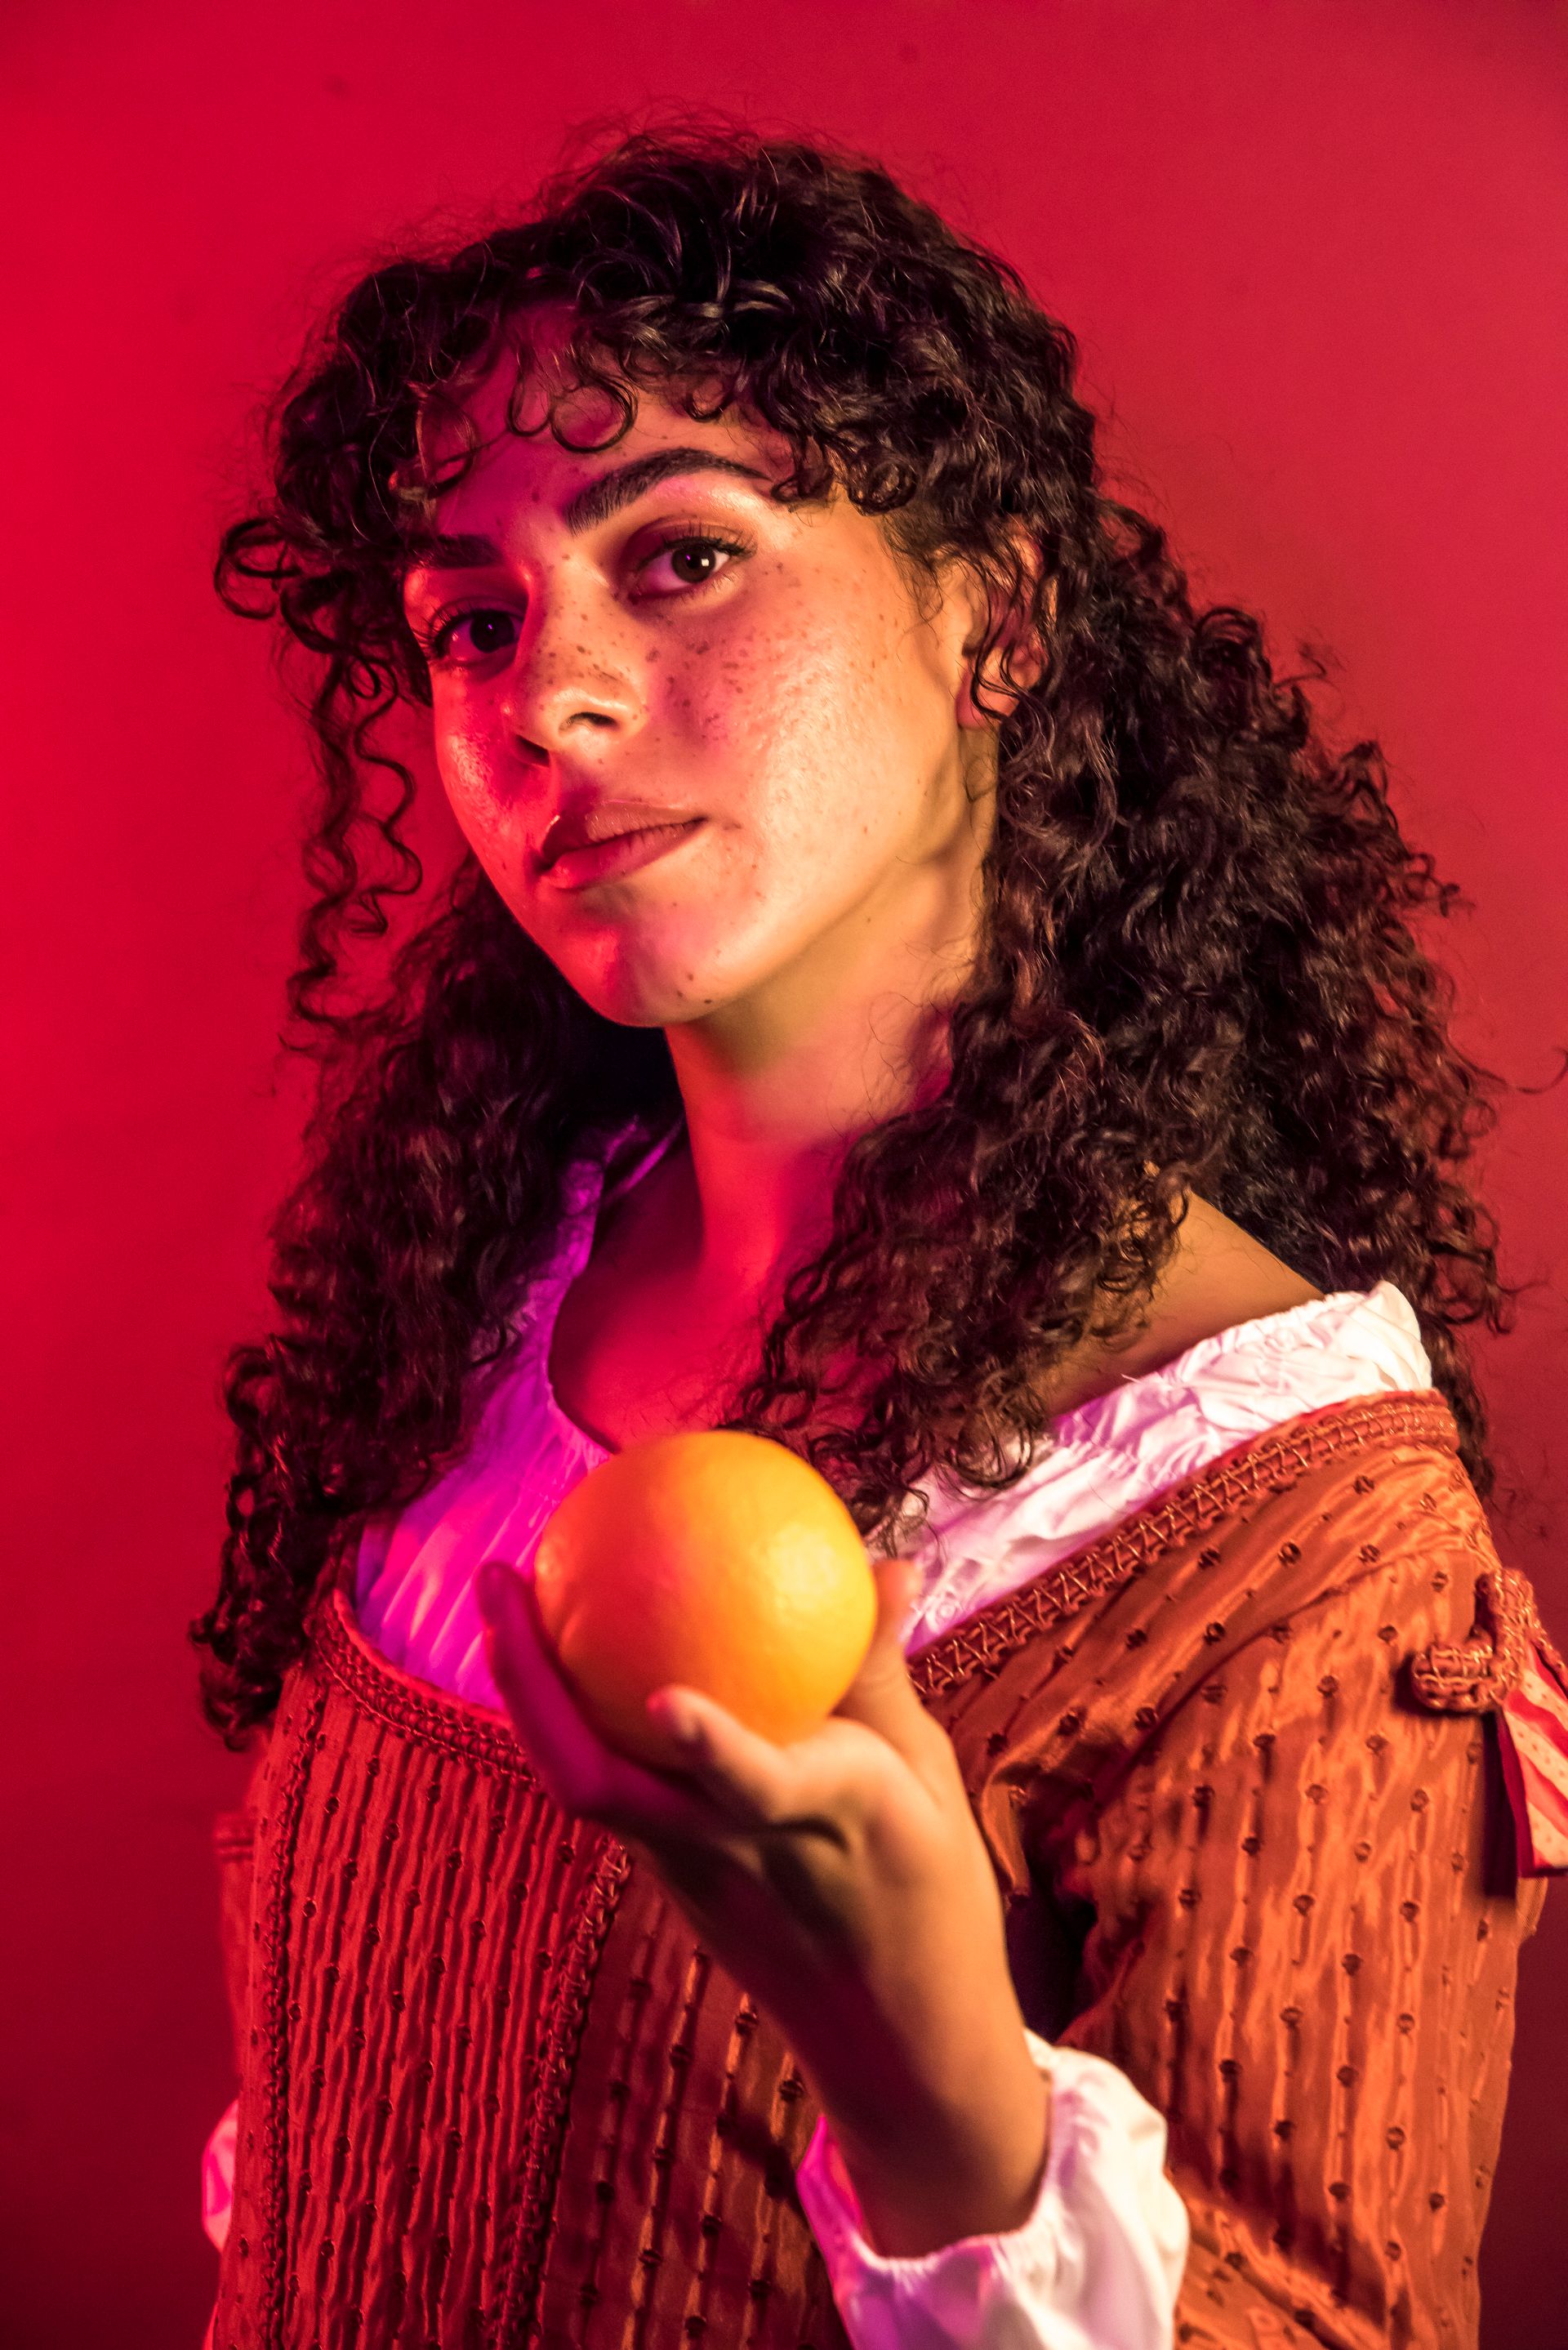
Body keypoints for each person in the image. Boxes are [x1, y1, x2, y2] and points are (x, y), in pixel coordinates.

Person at [192, 129, 1564, 2350]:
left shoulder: (1294, 1533)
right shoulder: (472, 1299)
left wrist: (932, 2090)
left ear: (994, 620)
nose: (545, 698)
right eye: (472, 622)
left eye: (683, 556)